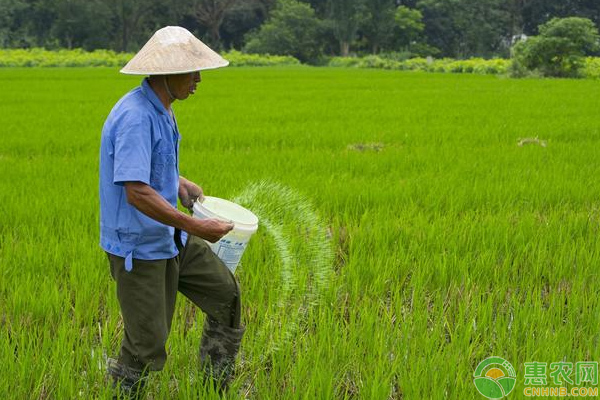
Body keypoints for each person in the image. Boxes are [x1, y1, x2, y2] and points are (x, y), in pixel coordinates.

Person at [99, 26, 244, 398]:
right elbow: (136, 193)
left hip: (171, 235)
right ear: (167, 72)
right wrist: (196, 224)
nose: (198, 81)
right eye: (192, 73)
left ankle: (213, 390)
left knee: (226, 296)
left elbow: (146, 168)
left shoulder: (162, 108)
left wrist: (178, 183)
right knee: (145, 347)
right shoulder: (135, 115)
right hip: (141, 248)